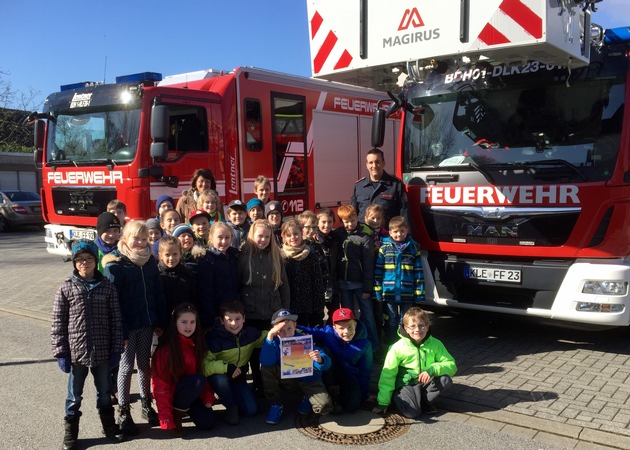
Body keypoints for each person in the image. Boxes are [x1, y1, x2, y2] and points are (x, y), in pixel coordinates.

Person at [51, 240, 125, 449]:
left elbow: (116, 320)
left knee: (104, 392)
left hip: (102, 352)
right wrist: (61, 352)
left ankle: (109, 427)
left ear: (96, 260)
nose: (85, 263)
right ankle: (71, 433)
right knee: (74, 395)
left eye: (89, 259)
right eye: (80, 260)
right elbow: (58, 322)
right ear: (74, 262)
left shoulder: (107, 288)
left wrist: (116, 349)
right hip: (76, 354)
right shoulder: (66, 288)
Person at [102, 220, 167, 436]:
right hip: (127, 328)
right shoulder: (116, 265)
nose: (139, 243)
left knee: (144, 365)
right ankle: (123, 410)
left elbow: (157, 293)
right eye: (135, 238)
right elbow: (112, 303)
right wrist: (119, 330)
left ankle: (147, 405)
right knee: (126, 366)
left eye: (143, 238)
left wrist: (159, 321)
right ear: (125, 239)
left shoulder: (150, 262)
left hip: (146, 323)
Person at [372, 307, 456, 418]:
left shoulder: (436, 344)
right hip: (406, 384)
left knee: (445, 379)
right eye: (412, 326)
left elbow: (451, 365)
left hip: (425, 382)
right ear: (405, 328)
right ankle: (396, 397)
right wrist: (383, 402)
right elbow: (388, 375)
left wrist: (432, 369)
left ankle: (424, 402)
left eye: (421, 325)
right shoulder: (397, 348)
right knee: (412, 413)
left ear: (427, 327)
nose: (417, 330)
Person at [237, 219, 290, 395]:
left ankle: (271, 383)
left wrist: (285, 311)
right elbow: (237, 284)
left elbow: (284, 286)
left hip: (271, 311)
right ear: (253, 235)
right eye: (260, 236)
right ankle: (256, 381)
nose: (263, 240)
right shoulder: (243, 256)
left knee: (269, 348)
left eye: (267, 236)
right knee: (251, 350)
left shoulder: (276, 256)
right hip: (250, 312)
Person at [151, 303, 215, 437]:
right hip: (174, 395)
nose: (189, 326)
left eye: (192, 322)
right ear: (175, 323)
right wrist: (166, 418)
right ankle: (176, 414)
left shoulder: (197, 342)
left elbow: (201, 371)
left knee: (208, 424)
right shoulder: (166, 350)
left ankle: (183, 409)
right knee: (197, 381)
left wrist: (207, 396)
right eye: (184, 322)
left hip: (191, 393)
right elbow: (160, 388)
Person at [260, 309, 333, 424]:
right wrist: (270, 336)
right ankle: (276, 404)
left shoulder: (304, 339)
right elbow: (266, 362)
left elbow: (326, 363)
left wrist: (320, 359)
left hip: (309, 380)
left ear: (295, 325)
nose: (286, 333)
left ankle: (307, 397)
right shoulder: (273, 341)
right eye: (281, 330)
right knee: (267, 368)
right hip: (288, 379)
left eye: (289, 328)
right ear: (275, 330)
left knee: (324, 406)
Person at [298, 307, 373, 414]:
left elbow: (365, 371)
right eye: (341, 328)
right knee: (326, 351)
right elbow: (310, 331)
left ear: (355, 325)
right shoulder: (328, 332)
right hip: (329, 373)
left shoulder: (365, 344)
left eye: (350, 327)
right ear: (334, 328)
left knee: (352, 406)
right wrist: (290, 326)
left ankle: (340, 396)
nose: (346, 331)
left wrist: (365, 394)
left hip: (349, 376)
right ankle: (327, 393)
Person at [203, 301, 266, 425]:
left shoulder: (250, 334)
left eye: (237, 319)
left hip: (238, 378)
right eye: (229, 319)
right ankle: (231, 407)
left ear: (244, 319)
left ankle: (232, 396)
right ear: (221, 321)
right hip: (219, 377)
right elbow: (203, 365)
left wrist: (297, 332)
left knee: (251, 410)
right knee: (220, 380)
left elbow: (270, 336)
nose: (234, 323)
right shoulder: (214, 338)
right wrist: (227, 368)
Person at [334, 204, 378, 352]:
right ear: (341, 222)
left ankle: (374, 346)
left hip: (360, 285)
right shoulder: (339, 234)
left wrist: (367, 288)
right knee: (349, 318)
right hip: (344, 284)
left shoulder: (365, 236)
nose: (349, 223)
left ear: (356, 218)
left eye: (352, 220)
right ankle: (352, 346)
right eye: (346, 221)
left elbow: (368, 265)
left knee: (368, 316)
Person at [374, 216, 424, 344]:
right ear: (390, 232)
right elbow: (378, 271)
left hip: (407, 292)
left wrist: (419, 292)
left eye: (402, 231)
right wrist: (378, 291)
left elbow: (418, 272)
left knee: (406, 320)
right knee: (391, 319)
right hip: (389, 293)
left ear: (407, 231)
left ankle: (406, 344)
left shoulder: (413, 249)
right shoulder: (384, 249)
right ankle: (391, 343)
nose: (399, 234)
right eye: (395, 231)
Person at [281, 219, 326, 327]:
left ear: (301, 234)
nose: (293, 237)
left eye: (296, 234)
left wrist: (318, 308)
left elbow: (317, 283)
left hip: (308, 306)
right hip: (288, 305)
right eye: (289, 235)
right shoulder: (281, 256)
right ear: (284, 237)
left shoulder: (311, 254)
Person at [197, 222, 240, 329]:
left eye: (227, 237)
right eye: (220, 238)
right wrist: (210, 316)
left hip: (234, 310)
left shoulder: (235, 256)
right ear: (211, 238)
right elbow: (205, 292)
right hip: (216, 312)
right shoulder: (207, 260)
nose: (224, 241)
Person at [351, 148, 409, 226]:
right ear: (367, 165)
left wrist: (406, 235)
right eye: (371, 163)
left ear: (383, 163)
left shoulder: (396, 185)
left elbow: (404, 213)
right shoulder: (359, 186)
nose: (374, 166)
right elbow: (352, 213)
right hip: (365, 235)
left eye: (377, 162)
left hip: (387, 235)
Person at [157, 235, 198, 315]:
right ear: (160, 255)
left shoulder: (187, 274)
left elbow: (194, 298)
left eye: (175, 254)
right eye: (167, 255)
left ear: (181, 253)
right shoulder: (157, 275)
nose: (171, 258)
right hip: (163, 321)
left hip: (184, 318)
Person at [317, 207, 340, 318]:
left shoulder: (337, 238)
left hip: (333, 282)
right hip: (319, 284)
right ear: (318, 222)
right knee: (318, 314)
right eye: (323, 222)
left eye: (330, 222)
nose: (326, 225)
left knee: (334, 313)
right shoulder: (313, 239)